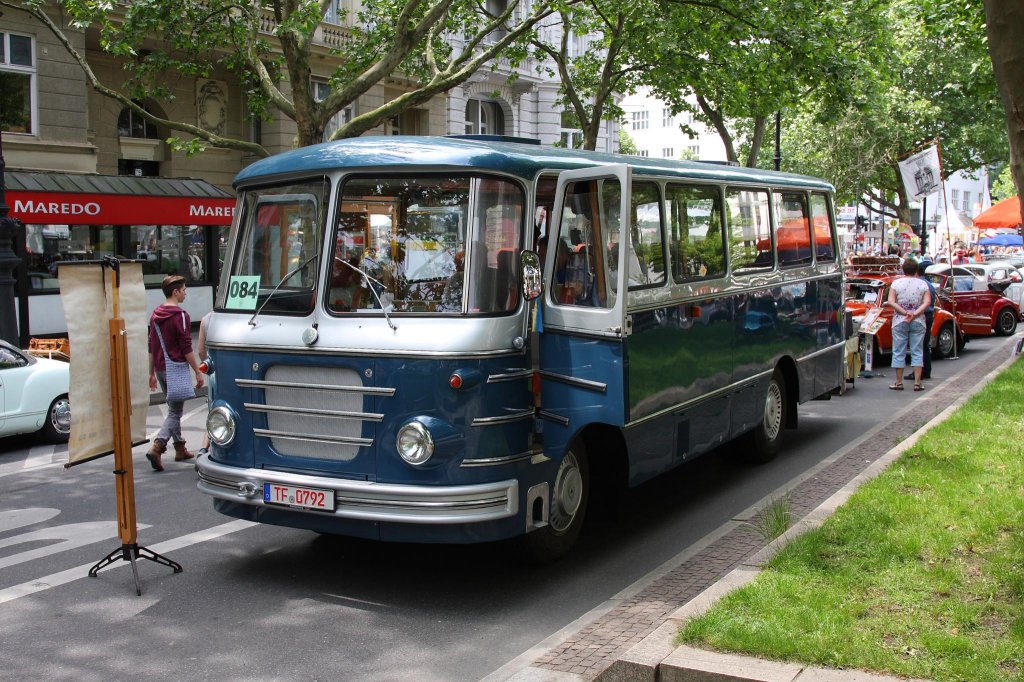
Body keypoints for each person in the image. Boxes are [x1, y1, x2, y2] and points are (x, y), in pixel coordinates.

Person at [146, 275, 204, 471]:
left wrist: (151, 373)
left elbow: (151, 346)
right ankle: (158, 445)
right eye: (184, 290)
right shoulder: (180, 316)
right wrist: (197, 370)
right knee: (175, 411)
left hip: (161, 368)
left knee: (173, 408)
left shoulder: (155, 315)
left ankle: (180, 448)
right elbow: (186, 347)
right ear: (175, 292)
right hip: (176, 368)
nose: (185, 293)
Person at [884, 259, 931, 392]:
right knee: (917, 351)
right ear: (916, 270)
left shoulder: (896, 283)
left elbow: (891, 301)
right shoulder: (923, 284)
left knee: (899, 351)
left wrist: (904, 312)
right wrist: (914, 313)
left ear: (903, 269)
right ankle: (917, 383)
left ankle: (899, 382)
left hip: (900, 320)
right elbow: (927, 302)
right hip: (918, 320)